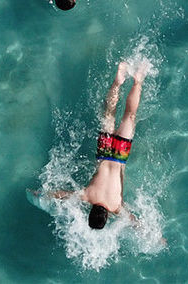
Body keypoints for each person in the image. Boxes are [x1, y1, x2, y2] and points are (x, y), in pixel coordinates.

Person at [42, 61, 150, 229]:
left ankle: (138, 80)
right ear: (91, 211)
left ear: (106, 216)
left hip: (120, 156)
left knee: (129, 116)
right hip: (104, 151)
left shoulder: (116, 207)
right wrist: (42, 195)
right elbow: (61, 194)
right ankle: (118, 81)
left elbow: (134, 222)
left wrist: (155, 237)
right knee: (109, 114)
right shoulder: (87, 196)